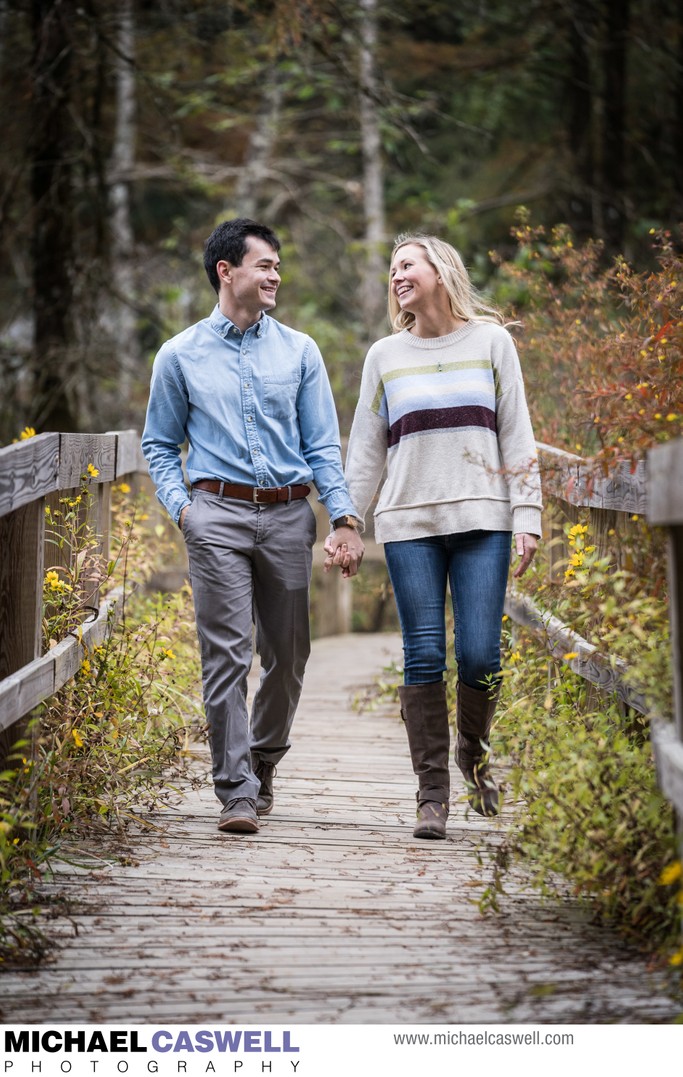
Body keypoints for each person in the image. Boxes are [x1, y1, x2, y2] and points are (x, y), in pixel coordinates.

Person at [142, 218, 364, 835]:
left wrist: (342, 516)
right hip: (216, 516)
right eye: (265, 265)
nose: (276, 276)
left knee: (288, 655)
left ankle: (264, 759)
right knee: (226, 656)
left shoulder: (300, 350)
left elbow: (323, 446)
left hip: (290, 515)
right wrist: (182, 509)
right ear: (227, 271)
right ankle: (235, 790)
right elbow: (158, 444)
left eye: (276, 266)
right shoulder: (179, 355)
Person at [326, 233, 542, 839]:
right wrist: (347, 522)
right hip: (408, 524)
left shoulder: (493, 342)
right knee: (423, 653)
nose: (396, 276)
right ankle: (432, 796)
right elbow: (366, 449)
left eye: (406, 265)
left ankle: (473, 754)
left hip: (483, 522)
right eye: (391, 269)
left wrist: (528, 515)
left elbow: (517, 435)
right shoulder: (384, 356)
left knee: (479, 654)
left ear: (440, 270)